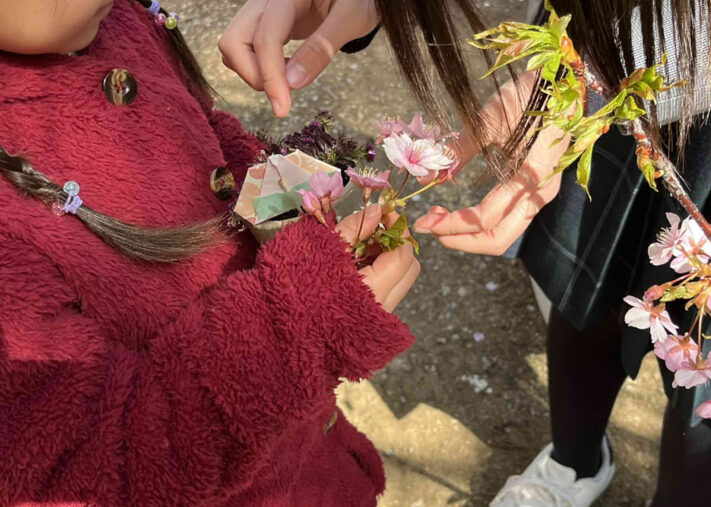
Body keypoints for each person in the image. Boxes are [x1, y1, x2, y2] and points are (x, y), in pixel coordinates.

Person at [220, 0, 711, 505]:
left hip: (704, 87)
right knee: (578, 281)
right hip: (591, 42)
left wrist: (578, 91)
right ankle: (574, 462)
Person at [0, 0, 421, 505]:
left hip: (314, 462)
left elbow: (198, 134)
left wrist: (282, 204)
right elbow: (101, 464)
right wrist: (302, 321)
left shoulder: (116, 19)